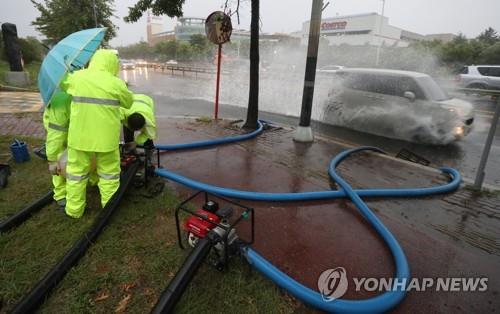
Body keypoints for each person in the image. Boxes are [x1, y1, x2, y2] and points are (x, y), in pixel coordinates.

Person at [60, 49, 133, 218]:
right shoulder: (116, 83)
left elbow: (64, 83)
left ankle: (74, 210)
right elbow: (128, 103)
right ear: (112, 65)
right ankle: (108, 210)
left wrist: (70, 71)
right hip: (106, 140)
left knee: (76, 175)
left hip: (79, 138)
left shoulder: (78, 77)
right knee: (109, 175)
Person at [42, 90, 72, 209]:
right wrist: (52, 159)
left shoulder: (74, 94)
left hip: (68, 132)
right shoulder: (61, 100)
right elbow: (55, 136)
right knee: (58, 164)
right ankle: (60, 194)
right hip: (59, 132)